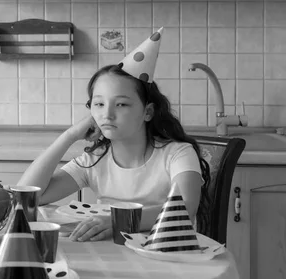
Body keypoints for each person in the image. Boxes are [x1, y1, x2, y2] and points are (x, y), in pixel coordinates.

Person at [18, 28, 210, 242]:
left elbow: (184, 208)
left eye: (121, 104)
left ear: (147, 112)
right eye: (99, 104)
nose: (107, 114)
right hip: (112, 253)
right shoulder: (94, 160)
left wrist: (117, 220)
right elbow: (29, 197)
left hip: (165, 254)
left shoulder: (177, 154)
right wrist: (69, 135)